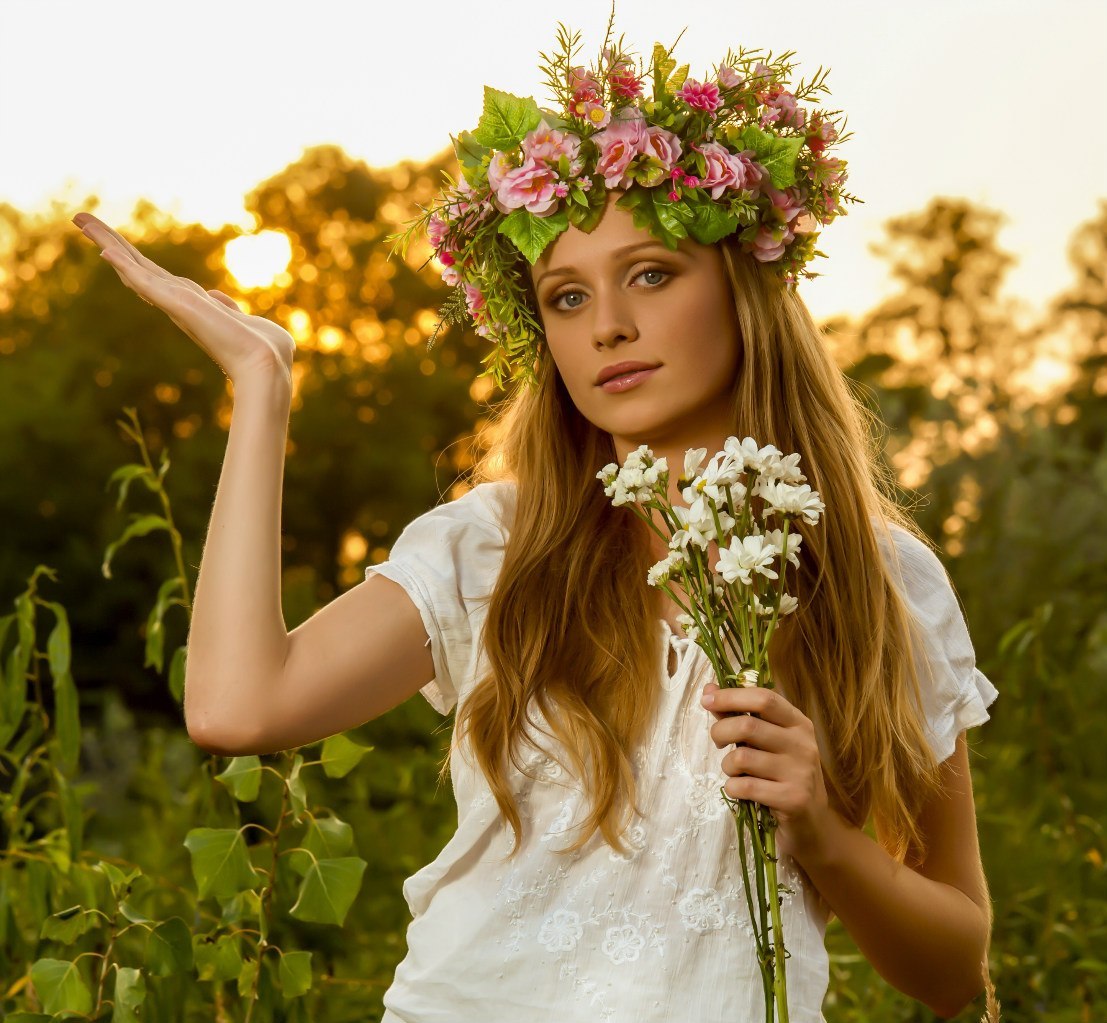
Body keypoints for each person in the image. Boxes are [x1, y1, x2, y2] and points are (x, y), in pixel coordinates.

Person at [71, 21, 999, 1023]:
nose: (606, 325)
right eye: (566, 295)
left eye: (649, 274)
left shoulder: (883, 581)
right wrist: (262, 388)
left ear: (746, 290)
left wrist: (821, 833)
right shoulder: (495, 546)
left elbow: (954, 974)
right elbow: (238, 708)